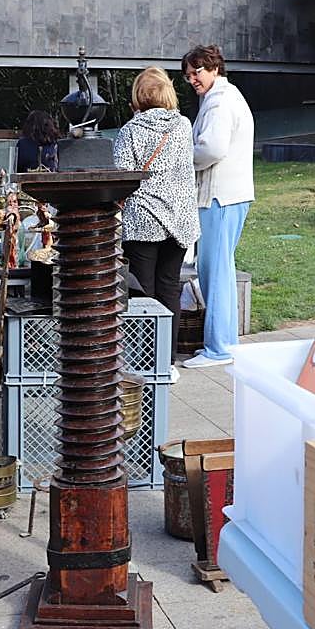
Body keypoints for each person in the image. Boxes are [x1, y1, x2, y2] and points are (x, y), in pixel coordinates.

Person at [113, 67, 200, 385]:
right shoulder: (183, 125)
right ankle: (167, 362)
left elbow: (122, 175)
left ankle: (143, 361)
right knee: (169, 288)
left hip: (143, 221)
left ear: (138, 96)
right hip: (179, 220)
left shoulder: (130, 130)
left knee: (141, 293)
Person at [180, 44, 256, 369]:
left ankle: (220, 348)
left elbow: (212, 148)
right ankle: (223, 344)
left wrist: (182, 156)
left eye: (196, 72)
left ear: (213, 68)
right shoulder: (221, 98)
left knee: (217, 272)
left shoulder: (220, 101)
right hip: (227, 196)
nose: (192, 79)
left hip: (220, 197)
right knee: (216, 270)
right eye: (188, 75)